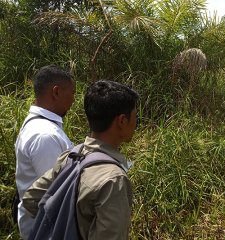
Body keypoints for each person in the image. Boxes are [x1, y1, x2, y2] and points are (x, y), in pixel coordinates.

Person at [23, 80, 139, 239]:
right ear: (122, 121)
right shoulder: (113, 180)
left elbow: (31, 199)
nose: (136, 123)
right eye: (134, 116)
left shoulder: (72, 155)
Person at [15, 65, 75, 239]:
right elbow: (58, 193)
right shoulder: (45, 135)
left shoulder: (39, 126)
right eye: (72, 92)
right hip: (47, 231)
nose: (73, 100)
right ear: (56, 92)